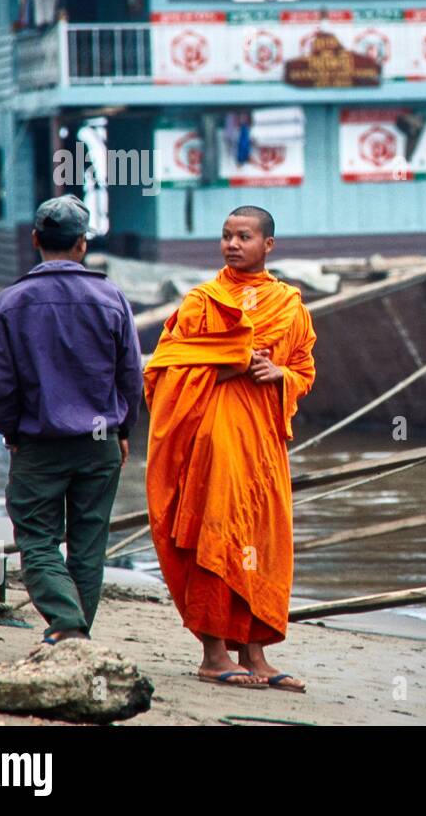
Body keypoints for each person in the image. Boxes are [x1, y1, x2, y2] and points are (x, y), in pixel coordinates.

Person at [143, 206, 316, 691]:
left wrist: (281, 375)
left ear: (268, 246)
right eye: (226, 237)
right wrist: (233, 365)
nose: (233, 244)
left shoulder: (290, 305)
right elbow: (166, 369)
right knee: (216, 537)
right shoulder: (203, 302)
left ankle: (254, 653)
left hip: (262, 447)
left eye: (243, 236)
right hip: (212, 441)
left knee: (260, 541)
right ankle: (214, 653)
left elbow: (302, 367)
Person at [0, 195, 142, 644]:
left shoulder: (9, 303)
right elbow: (131, 377)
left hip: (38, 443)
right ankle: (74, 632)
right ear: (82, 245)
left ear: (35, 240)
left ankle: (68, 627)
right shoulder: (111, 298)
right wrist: (122, 429)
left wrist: (13, 433)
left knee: (37, 538)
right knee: (89, 544)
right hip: (99, 442)